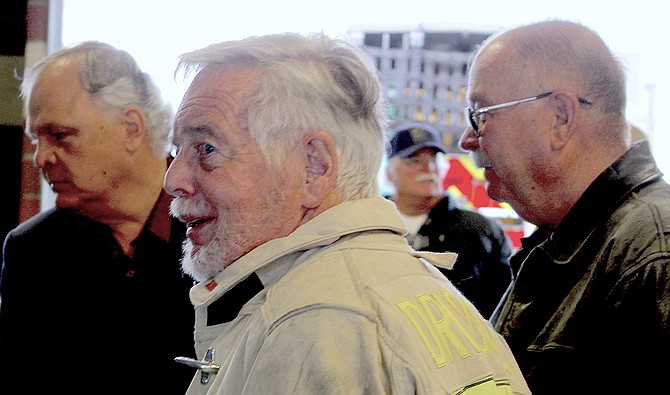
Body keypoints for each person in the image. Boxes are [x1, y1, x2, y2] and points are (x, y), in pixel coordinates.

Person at [164, 32, 531, 395]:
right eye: (178, 149)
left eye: (207, 148)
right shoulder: (402, 288)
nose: (174, 179)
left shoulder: (315, 323)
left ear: (314, 166)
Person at [458, 19, 670, 395]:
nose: (467, 139)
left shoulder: (654, 252)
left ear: (560, 117)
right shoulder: (573, 242)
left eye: (482, 113)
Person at [0, 41, 195, 394]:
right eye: (36, 139)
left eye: (59, 135)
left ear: (132, 127)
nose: (40, 158)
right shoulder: (31, 250)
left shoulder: (221, 230)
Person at [386, 121, 513, 317]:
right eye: (414, 160)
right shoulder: (370, 226)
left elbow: (503, 304)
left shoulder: (479, 231)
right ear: (389, 173)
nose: (428, 168)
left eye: (434, 160)